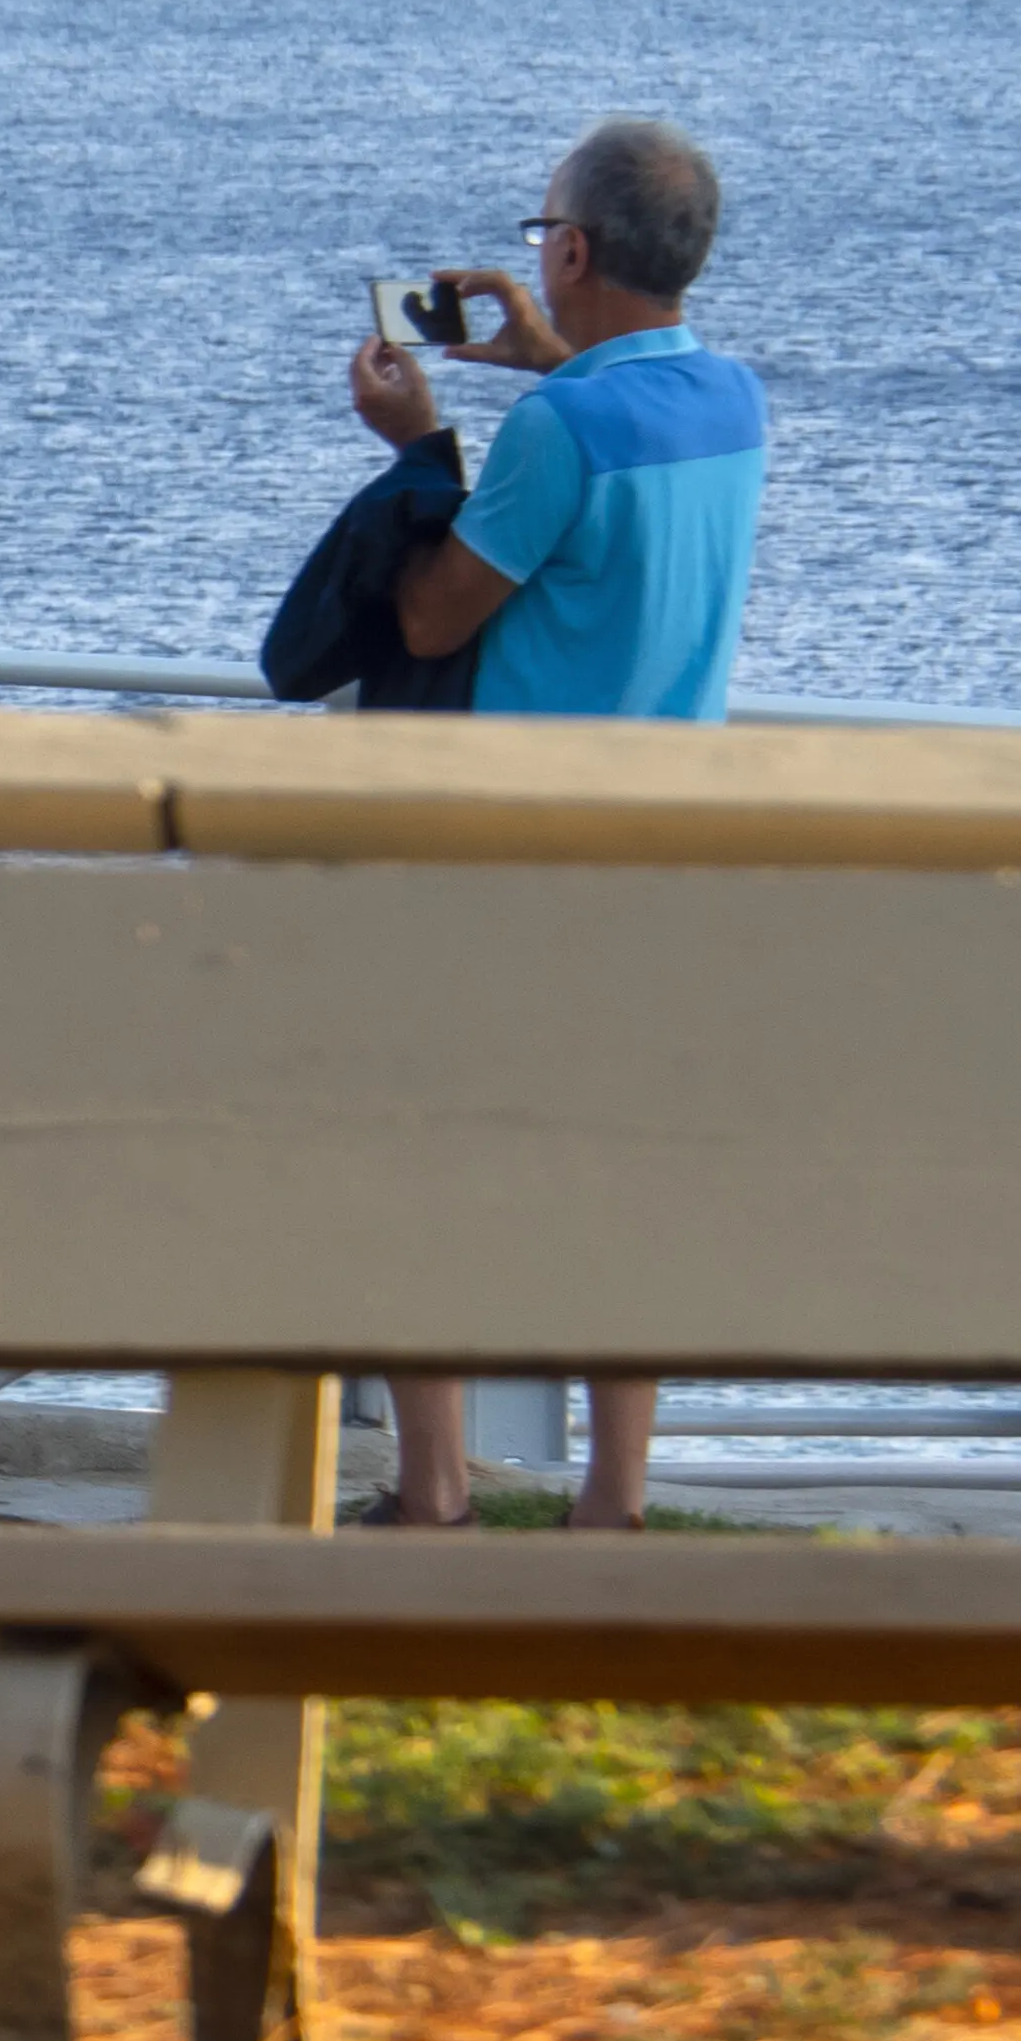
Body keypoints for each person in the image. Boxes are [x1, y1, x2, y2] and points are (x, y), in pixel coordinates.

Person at [342, 116, 768, 1530]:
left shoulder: (554, 432)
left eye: (542, 235)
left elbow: (428, 610)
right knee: (620, 1173)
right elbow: (616, 467)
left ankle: (437, 1490)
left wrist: (419, 446)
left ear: (571, 249)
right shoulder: (732, 403)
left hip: (509, 855)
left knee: (419, 1155)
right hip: (665, 854)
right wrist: (555, 358)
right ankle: (616, 1498)